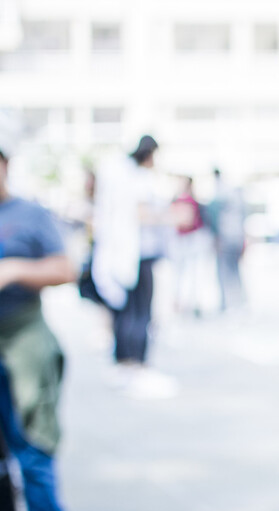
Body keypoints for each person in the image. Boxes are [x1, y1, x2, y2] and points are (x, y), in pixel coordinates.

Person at [0, 146, 77, 511]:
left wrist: (14, 270)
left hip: (23, 334)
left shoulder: (29, 214)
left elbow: (66, 268)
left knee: (33, 442)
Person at [92, 135, 177, 397]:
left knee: (125, 312)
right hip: (138, 255)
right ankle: (136, 365)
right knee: (140, 313)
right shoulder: (137, 178)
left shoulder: (117, 174)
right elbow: (142, 213)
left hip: (121, 256)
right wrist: (170, 217)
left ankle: (124, 363)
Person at [205, 168, 247, 313]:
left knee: (224, 271)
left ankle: (227, 303)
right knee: (235, 271)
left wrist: (215, 236)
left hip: (225, 239)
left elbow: (214, 217)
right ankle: (239, 301)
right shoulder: (234, 194)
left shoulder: (219, 193)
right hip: (235, 237)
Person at [169, 176, 206, 316]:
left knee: (192, 273)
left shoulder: (191, 201)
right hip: (182, 240)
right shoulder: (178, 200)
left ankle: (191, 302)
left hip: (191, 239)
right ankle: (181, 302)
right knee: (181, 273)